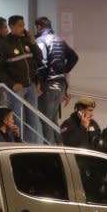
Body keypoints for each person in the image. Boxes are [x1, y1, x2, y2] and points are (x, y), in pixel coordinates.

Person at [0, 15, 43, 143]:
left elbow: (39, 59)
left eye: (23, 25)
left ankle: (31, 146)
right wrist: (12, 84)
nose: (23, 28)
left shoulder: (26, 41)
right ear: (11, 27)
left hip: (31, 85)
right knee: (16, 119)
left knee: (33, 117)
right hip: (17, 87)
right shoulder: (5, 44)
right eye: (20, 25)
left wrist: (33, 42)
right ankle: (18, 143)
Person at [35, 16, 78, 144]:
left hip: (48, 84)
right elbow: (74, 57)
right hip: (61, 83)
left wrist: (40, 83)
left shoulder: (40, 41)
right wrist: (63, 70)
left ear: (38, 27)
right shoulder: (60, 40)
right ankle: (60, 147)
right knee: (52, 119)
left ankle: (49, 149)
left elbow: (42, 63)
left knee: (46, 119)